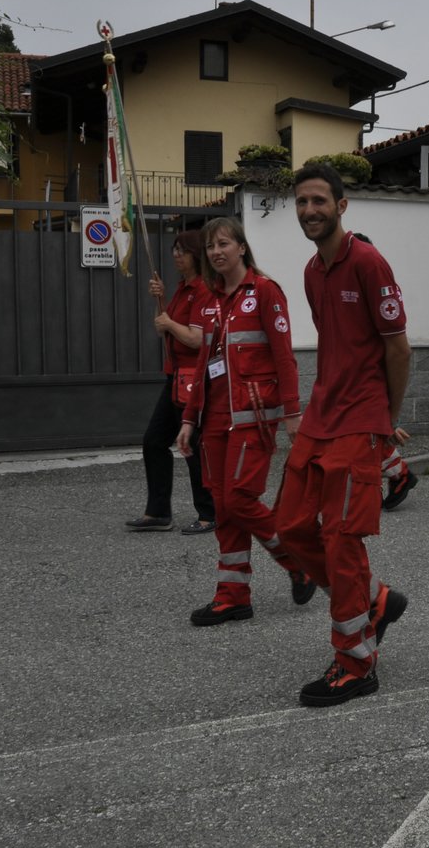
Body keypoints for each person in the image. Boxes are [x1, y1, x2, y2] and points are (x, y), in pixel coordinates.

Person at [273, 164, 412, 707]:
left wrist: (385, 418)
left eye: (319, 201)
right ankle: (374, 604)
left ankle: (357, 663)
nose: (310, 211)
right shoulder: (312, 271)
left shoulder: (369, 261)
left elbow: (398, 347)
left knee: (341, 539)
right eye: (302, 202)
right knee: (290, 527)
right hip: (321, 416)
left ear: (342, 205)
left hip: (360, 420)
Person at [177, 217, 308, 626]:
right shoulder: (210, 301)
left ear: (242, 248)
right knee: (222, 506)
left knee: (239, 499)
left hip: (255, 418)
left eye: (223, 244)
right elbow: (203, 365)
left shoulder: (265, 292)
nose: (216, 253)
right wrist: (189, 418)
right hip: (214, 420)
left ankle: (296, 561)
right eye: (210, 247)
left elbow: (285, 356)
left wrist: (292, 411)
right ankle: (232, 595)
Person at [128, 229, 215, 534]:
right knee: (154, 441)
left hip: (193, 379)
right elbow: (162, 330)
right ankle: (158, 512)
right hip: (174, 376)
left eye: (183, 250)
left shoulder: (204, 289)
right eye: (174, 249)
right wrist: (160, 300)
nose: (176, 254)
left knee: (192, 445)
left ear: (196, 254)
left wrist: (169, 323)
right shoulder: (180, 289)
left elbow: (197, 339)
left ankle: (209, 513)